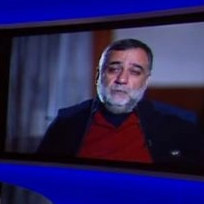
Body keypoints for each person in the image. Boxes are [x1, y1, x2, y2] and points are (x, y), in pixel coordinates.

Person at [37, 38, 204, 167]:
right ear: (99, 76)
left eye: (135, 71)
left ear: (146, 81)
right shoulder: (67, 122)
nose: (122, 79)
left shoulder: (179, 127)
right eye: (114, 69)